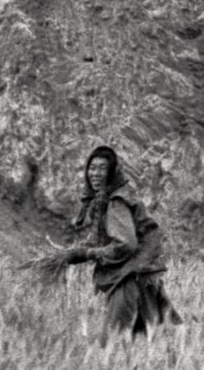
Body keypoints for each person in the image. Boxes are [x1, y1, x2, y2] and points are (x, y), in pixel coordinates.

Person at [61, 144, 180, 337]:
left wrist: (88, 253)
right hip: (141, 276)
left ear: (112, 173)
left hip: (129, 279)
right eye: (92, 168)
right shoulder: (107, 200)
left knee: (115, 340)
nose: (95, 173)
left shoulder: (117, 202)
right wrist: (75, 254)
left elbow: (125, 244)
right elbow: (102, 240)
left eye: (102, 169)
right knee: (149, 339)